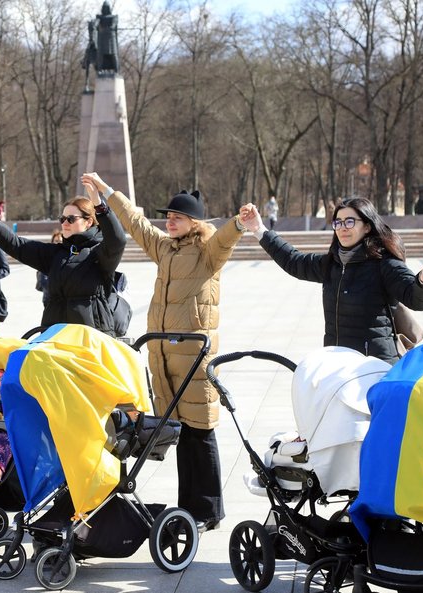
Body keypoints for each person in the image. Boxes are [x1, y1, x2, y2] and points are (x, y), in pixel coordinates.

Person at [82, 171, 255, 534]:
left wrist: (238, 223)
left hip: (194, 357)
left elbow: (224, 239)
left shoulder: (207, 252)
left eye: (176, 217)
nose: (168, 221)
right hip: (165, 357)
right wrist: (106, 192)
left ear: (193, 222)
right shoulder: (165, 248)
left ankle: (208, 510)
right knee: (181, 432)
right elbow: (136, 223)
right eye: (168, 217)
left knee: (201, 432)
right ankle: (188, 507)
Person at [246, 197, 423, 364]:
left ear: (367, 226)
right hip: (337, 362)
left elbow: (417, 299)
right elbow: (294, 261)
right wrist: (259, 229)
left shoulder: (384, 265)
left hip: (374, 365)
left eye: (349, 222)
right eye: (338, 222)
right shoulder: (332, 264)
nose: (342, 228)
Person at [0, 187, 126, 336]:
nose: (64, 223)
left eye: (71, 219)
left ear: (88, 221)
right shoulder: (55, 253)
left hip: (91, 338)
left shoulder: (100, 253)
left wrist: (100, 206)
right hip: (55, 337)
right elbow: (17, 245)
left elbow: (118, 240)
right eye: (62, 218)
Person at [35, 229, 63, 306]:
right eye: (56, 241)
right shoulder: (47, 258)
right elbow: (42, 281)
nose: (58, 244)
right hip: (48, 300)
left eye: (61, 241)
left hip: (63, 302)